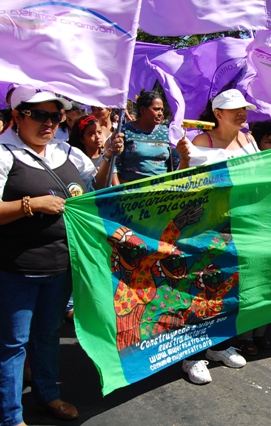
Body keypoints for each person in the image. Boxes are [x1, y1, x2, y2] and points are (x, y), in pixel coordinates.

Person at [0, 86, 123, 426]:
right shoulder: (4, 154)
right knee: (13, 345)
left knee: (47, 335)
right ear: (17, 117)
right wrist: (32, 205)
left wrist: (109, 156)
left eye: (55, 116)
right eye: (39, 115)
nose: (49, 123)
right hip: (17, 271)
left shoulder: (67, 152)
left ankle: (47, 395)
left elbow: (93, 185)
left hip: (61, 267)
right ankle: (10, 416)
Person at [177, 89, 271, 383]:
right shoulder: (199, 142)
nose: (243, 113)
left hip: (240, 227)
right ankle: (193, 355)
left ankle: (220, 345)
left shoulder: (248, 140)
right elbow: (181, 186)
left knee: (229, 289)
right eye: (235, 109)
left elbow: (260, 179)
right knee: (202, 289)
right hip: (205, 229)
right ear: (218, 114)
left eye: (245, 109)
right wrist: (183, 161)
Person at [113, 90, 180, 184]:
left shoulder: (167, 132)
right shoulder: (125, 131)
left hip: (160, 192)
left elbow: (176, 163)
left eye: (162, 109)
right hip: (130, 193)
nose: (160, 113)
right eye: (156, 109)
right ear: (143, 110)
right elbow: (114, 164)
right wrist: (118, 193)